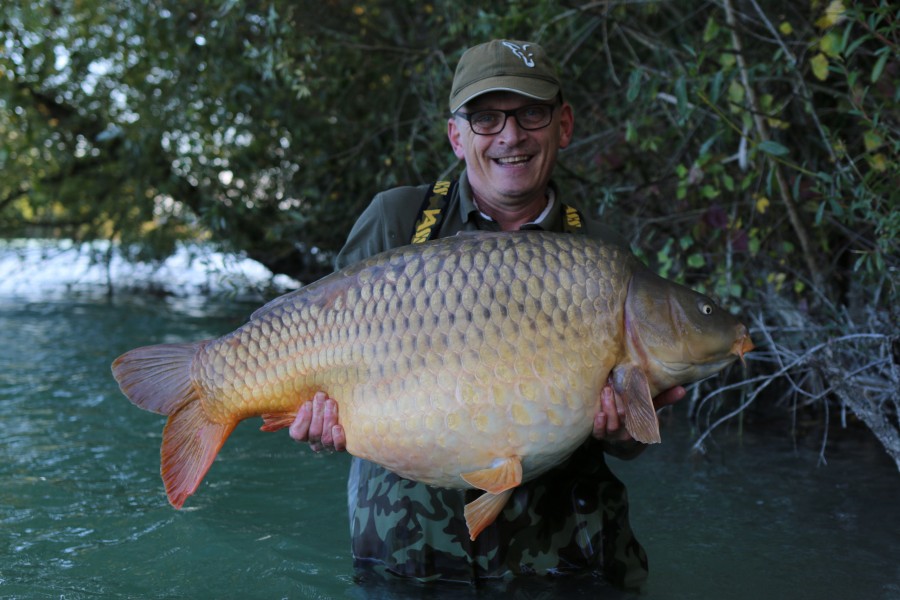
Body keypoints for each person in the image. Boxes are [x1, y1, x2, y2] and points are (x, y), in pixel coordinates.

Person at [289, 39, 685, 588]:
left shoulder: (602, 252)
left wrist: (623, 431)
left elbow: (632, 442)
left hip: (562, 561)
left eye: (531, 112)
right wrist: (317, 429)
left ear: (563, 125)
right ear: (457, 135)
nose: (511, 135)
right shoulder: (395, 220)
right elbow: (324, 374)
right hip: (409, 557)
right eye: (485, 117)